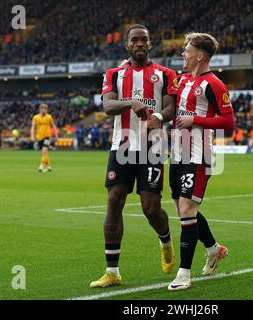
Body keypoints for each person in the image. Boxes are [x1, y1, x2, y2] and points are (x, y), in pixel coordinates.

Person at [89, 25, 178, 289]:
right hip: (121, 146)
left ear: (150, 44)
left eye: (144, 40)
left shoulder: (166, 74)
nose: (139, 43)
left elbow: (171, 107)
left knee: (150, 208)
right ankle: (112, 271)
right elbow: (107, 106)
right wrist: (130, 103)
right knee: (114, 201)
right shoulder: (113, 74)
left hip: (152, 147)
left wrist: (157, 117)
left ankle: (165, 240)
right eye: (134, 40)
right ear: (127, 45)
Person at [167, 32, 235, 291]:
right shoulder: (182, 79)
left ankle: (184, 274)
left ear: (199, 55)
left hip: (199, 154)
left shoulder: (214, 84)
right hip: (178, 153)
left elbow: (228, 121)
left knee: (186, 209)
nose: (183, 54)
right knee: (185, 210)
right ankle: (214, 249)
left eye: (186, 50)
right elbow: (160, 76)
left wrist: (196, 119)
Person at [30, 104, 58, 172]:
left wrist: (56, 135)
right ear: (40, 109)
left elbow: (53, 126)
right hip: (39, 137)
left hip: (47, 137)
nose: (44, 110)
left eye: (46, 109)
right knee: (44, 153)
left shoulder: (49, 117)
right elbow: (33, 127)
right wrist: (32, 136)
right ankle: (48, 166)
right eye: (43, 108)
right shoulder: (36, 117)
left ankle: (41, 165)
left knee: (44, 150)